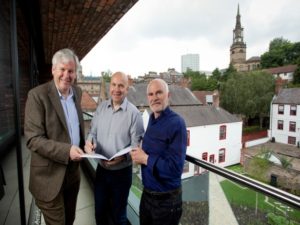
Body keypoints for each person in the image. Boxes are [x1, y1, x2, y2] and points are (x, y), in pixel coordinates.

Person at [24, 48, 85, 225]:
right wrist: (67, 150)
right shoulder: (37, 96)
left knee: (70, 220)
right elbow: (33, 139)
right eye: (62, 69)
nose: (66, 75)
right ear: (53, 70)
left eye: (71, 71)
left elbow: (73, 128)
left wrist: (85, 143)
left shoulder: (77, 93)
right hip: (48, 177)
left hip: (72, 174)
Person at [85, 71, 144, 225]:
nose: (116, 89)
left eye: (121, 86)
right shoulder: (101, 108)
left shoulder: (134, 115)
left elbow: (136, 147)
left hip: (122, 175)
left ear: (127, 89)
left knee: (119, 217)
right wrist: (90, 142)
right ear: (110, 86)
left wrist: (123, 158)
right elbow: (92, 132)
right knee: (99, 211)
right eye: (114, 85)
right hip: (102, 171)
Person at [130, 78, 187, 225]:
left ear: (168, 95)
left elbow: (175, 169)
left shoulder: (177, 123)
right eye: (150, 94)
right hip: (147, 195)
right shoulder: (151, 120)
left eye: (159, 93)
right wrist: (139, 156)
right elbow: (151, 153)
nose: (154, 97)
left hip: (167, 202)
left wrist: (145, 159)